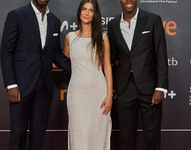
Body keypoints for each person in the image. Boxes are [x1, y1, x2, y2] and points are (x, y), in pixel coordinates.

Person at [0, 0, 71, 150]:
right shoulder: (17, 15)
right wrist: (11, 84)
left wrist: (82, 69)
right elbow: (6, 50)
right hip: (20, 85)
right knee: (18, 133)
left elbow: (56, 54)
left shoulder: (55, 21)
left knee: (38, 135)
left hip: (44, 86)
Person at [108, 0, 168, 150]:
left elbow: (160, 54)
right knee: (126, 138)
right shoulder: (113, 24)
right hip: (124, 88)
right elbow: (113, 55)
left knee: (152, 137)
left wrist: (160, 87)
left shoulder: (153, 19)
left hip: (150, 87)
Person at [63, 0, 113, 149]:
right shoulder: (69, 38)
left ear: (95, 14)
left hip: (98, 94)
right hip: (77, 95)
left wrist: (109, 95)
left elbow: (107, 68)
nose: (86, 13)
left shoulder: (103, 38)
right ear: (79, 12)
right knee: (79, 135)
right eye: (84, 9)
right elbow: (61, 61)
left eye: (91, 10)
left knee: (97, 136)